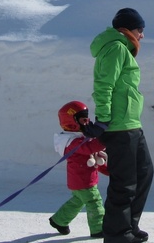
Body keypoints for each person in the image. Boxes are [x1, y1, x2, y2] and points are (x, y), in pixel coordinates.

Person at [87, 7, 153, 243]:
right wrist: (103, 118)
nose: (142, 35)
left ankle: (128, 226)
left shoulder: (123, 49)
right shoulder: (115, 48)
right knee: (124, 183)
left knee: (144, 174)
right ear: (126, 29)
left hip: (131, 123)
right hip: (118, 126)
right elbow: (103, 85)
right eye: (140, 29)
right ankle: (117, 235)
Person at [50, 101, 109, 239]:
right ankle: (98, 229)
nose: (87, 122)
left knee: (77, 201)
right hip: (82, 180)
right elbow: (89, 149)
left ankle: (59, 220)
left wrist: (108, 170)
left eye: (88, 118)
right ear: (72, 122)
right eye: (84, 119)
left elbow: (93, 156)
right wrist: (105, 138)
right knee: (94, 201)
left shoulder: (81, 138)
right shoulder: (71, 142)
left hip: (82, 180)